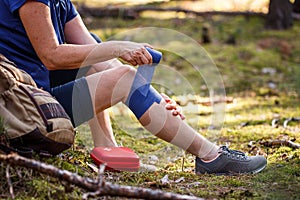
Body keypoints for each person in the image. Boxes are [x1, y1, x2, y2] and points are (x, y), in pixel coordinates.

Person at [0, 0, 267, 175]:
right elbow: (51, 55)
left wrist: (147, 93)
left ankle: (106, 147)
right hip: (23, 113)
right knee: (123, 76)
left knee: (98, 51)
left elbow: (92, 51)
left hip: (37, 96)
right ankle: (210, 157)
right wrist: (122, 57)